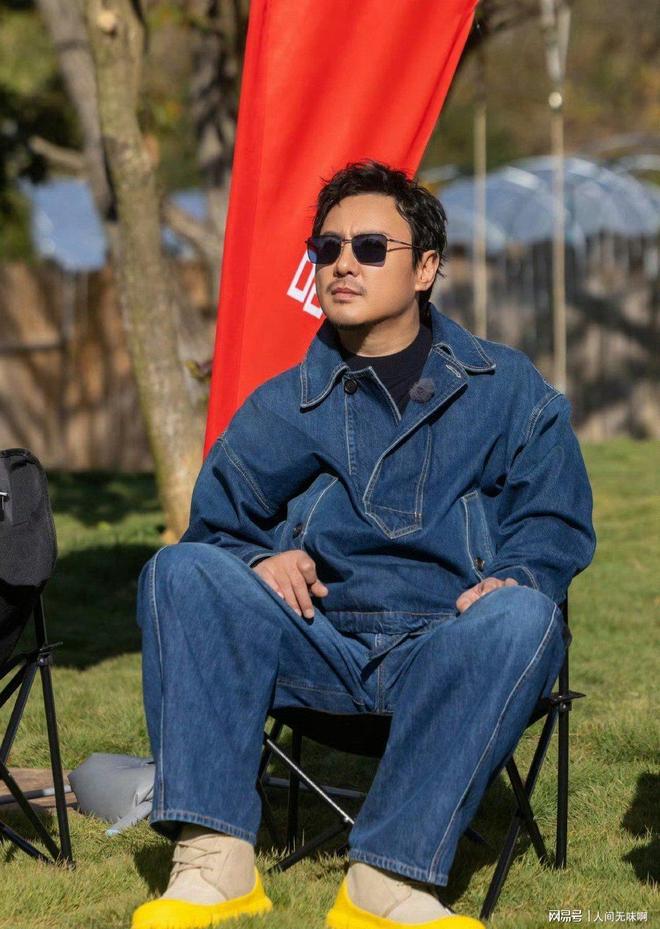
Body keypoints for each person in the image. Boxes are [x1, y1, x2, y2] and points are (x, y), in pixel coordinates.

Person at [131, 160, 596, 929]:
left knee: (525, 614)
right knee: (179, 572)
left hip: (448, 645)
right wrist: (259, 558)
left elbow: (556, 518)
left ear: (426, 268)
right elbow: (215, 528)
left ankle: (385, 879)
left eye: (372, 247)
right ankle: (215, 863)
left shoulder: (508, 388)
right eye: (329, 247)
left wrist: (518, 574)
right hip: (319, 642)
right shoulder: (283, 404)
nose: (344, 263)